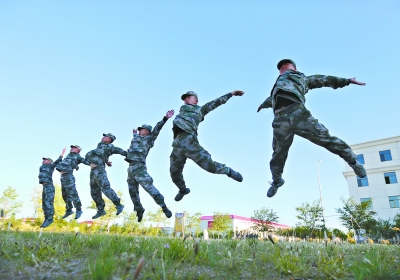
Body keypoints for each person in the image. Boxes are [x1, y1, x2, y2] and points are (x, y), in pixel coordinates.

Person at [257, 59, 367, 198]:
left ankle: (353, 161)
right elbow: (273, 98)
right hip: (281, 120)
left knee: (326, 138)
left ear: (294, 69)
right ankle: (277, 181)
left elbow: (324, 79)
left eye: (286, 66)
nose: (283, 68)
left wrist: (346, 81)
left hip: (299, 114)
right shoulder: (278, 85)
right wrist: (263, 104)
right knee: (278, 154)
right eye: (281, 68)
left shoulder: (303, 78)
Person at [170, 90, 244, 202]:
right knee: (174, 173)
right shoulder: (180, 112)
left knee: (209, 166)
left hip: (190, 141)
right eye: (185, 98)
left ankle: (228, 171)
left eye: (189, 97)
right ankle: (183, 190)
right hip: (177, 144)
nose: (186, 99)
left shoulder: (199, 109)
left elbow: (215, 103)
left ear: (196, 100)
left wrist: (231, 94)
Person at [125, 110, 175, 222]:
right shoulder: (136, 137)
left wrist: (165, 118)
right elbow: (134, 141)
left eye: (142, 129)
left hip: (139, 168)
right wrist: (134, 134)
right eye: (140, 130)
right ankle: (139, 209)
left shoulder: (149, 140)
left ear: (147, 131)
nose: (140, 131)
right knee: (132, 192)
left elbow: (157, 129)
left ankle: (164, 207)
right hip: (131, 168)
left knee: (149, 188)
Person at [85, 133, 127, 219]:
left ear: (109, 139)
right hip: (93, 171)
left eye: (106, 136)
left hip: (100, 170)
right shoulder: (100, 145)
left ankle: (118, 204)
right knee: (94, 192)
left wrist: (128, 154)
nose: (103, 137)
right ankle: (101, 210)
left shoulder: (110, 147)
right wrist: (106, 161)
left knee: (105, 188)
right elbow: (103, 154)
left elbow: (118, 150)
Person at [56, 145, 90, 219]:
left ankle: (79, 209)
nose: (72, 148)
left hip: (68, 176)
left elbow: (86, 162)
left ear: (78, 150)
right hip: (63, 177)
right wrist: (76, 166)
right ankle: (69, 210)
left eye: (74, 148)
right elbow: (69, 163)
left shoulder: (78, 157)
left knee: (73, 194)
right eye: (72, 147)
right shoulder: (69, 155)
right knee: (65, 195)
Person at [38, 148, 66, 228]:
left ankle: (50, 218)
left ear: (49, 161)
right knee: (44, 204)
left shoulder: (50, 166)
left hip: (49, 186)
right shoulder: (42, 167)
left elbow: (57, 161)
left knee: (48, 203)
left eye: (45, 160)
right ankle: (46, 219)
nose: (43, 160)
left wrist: (62, 154)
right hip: (45, 187)